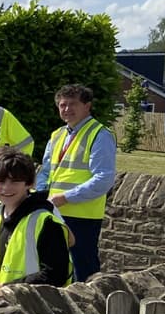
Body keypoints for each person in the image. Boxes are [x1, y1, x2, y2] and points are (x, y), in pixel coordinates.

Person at [35, 84, 115, 281]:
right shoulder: (57, 135)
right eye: (62, 105)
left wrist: (67, 197)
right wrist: (40, 197)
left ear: (87, 106)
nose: (66, 109)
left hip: (82, 217)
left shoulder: (100, 135)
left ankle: (89, 310)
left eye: (73, 104)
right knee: (55, 267)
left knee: (83, 271)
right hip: (54, 212)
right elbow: (46, 172)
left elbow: (104, 179)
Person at [0, 147, 73, 305]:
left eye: (15, 181)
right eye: (0, 181)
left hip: (42, 311)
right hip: (10, 306)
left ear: (29, 183)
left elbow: (56, 275)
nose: (7, 188)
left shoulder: (45, 221)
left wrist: (4, 288)